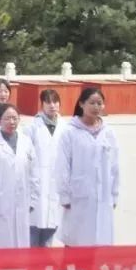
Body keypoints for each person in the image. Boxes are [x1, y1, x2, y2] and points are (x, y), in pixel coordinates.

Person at [55, 87, 119, 247]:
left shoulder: (108, 133)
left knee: (101, 244)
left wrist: (114, 194)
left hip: (103, 197)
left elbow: (114, 167)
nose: (96, 107)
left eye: (99, 103)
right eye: (92, 103)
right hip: (78, 197)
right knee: (76, 243)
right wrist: (64, 195)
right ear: (81, 104)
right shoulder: (70, 132)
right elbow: (62, 166)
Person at [0, 103, 39, 249]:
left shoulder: (26, 141)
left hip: (22, 201)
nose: (11, 122)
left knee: (20, 248)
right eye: (7, 118)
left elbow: (34, 172)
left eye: (14, 118)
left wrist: (33, 199)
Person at [27, 89, 66, 248]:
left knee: (52, 225)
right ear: (42, 104)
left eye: (55, 102)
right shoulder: (32, 127)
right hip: (37, 181)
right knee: (34, 226)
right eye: (48, 102)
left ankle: (45, 257)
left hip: (57, 182)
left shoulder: (66, 127)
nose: (52, 105)